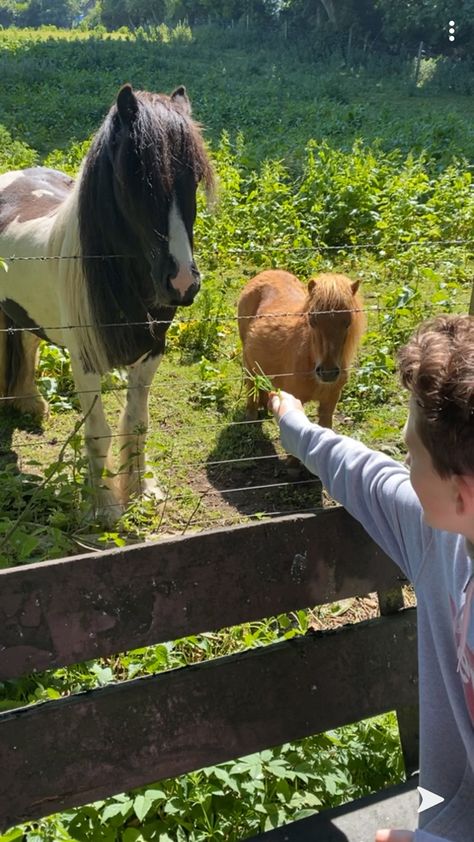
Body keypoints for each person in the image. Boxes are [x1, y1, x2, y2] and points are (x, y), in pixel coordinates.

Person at [268, 314, 474, 842]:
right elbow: (369, 476)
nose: (403, 462)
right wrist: (297, 427)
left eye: (411, 453)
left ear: (462, 493)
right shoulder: (448, 535)